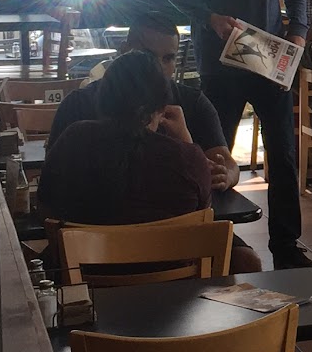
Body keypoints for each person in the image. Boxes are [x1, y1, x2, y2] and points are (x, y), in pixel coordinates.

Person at [162, 0, 312, 268]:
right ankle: (215, 241)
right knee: (216, 153)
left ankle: (287, 245)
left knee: (283, 154)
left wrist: (299, 30)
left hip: (269, 56)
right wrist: (209, 17)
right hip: (220, 60)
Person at [46, 9, 238, 190]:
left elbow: (228, 163)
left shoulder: (193, 102)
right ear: (123, 51)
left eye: (168, 58)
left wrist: (225, 175)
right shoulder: (79, 103)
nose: (159, 67)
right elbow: (54, 177)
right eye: (148, 56)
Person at [37, 50, 212, 228]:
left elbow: (45, 209)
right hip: (170, 247)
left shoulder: (73, 140)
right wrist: (186, 144)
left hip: (83, 246)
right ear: (161, 108)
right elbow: (203, 219)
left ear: (102, 99)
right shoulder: (188, 161)